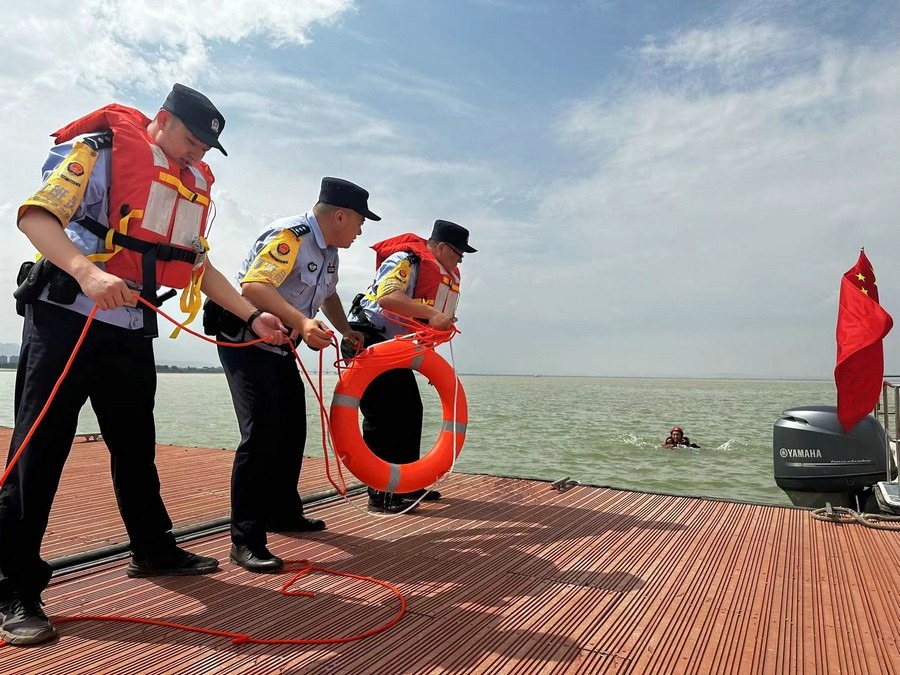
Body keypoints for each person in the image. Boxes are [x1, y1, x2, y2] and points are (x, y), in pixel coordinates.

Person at [0, 84, 289, 646]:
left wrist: (253, 316)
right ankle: (14, 588)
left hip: (130, 329)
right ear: (162, 119)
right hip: (66, 320)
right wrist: (88, 272)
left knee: (136, 447)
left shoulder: (189, 185)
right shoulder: (100, 151)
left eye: (206, 148)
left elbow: (196, 267)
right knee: (39, 452)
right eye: (192, 139)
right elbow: (35, 216)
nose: (197, 153)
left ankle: (153, 549)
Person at [208, 177, 376, 573]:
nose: (361, 230)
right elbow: (255, 285)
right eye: (360, 221)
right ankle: (246, 540)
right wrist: (302, 322)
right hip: (247, 342)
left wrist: (343, 329)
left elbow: (328, 293)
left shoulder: (330, 252)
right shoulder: (291, 237)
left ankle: (283, 512)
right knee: (260, 434)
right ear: (340, 216)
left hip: (281, 347)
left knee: (291, 430)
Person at [342, 220, 476, 513]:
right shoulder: (406, 260)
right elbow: (388, 298)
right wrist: (431, 313)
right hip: (368, 340)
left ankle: (407, 484)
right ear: (442, 248)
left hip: (397, 348)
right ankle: (379, 493)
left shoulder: (441, 274)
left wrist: (429, 358)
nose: (459, 262)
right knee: (383, 416)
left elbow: (423, 325)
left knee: (411, 411)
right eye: (458, 254)